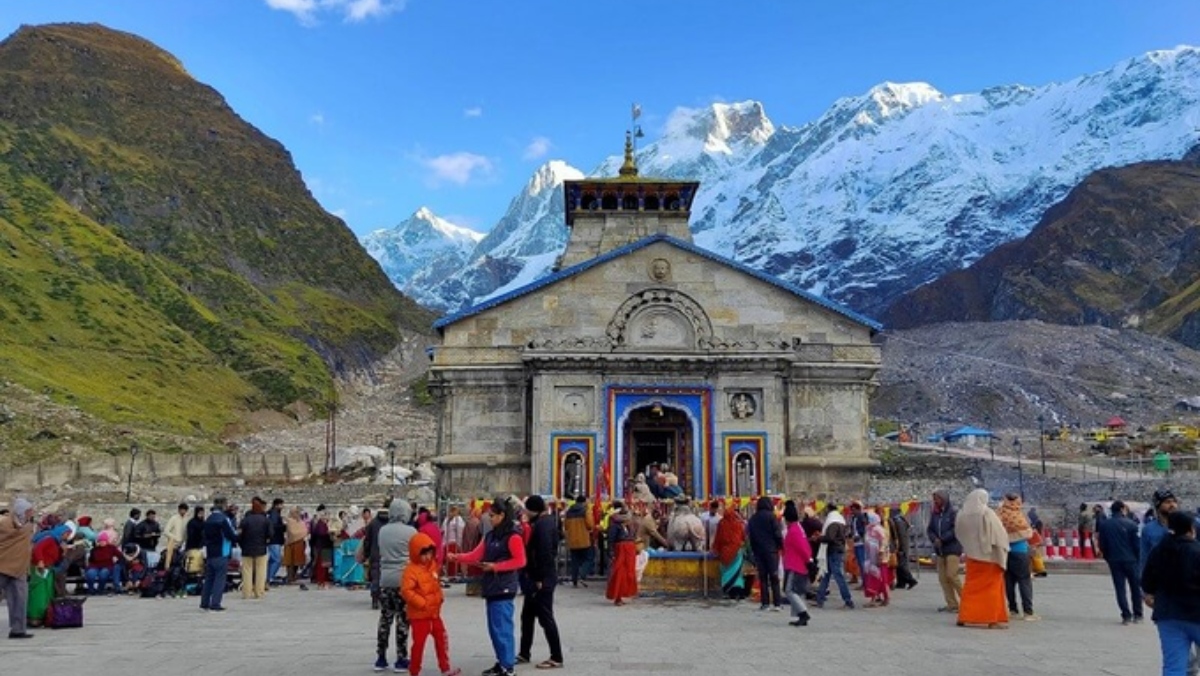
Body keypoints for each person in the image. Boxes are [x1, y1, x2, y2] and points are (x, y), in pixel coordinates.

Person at [448, 498, 528, 676]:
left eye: (492, 515)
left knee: (503, 628)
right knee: (495, 629)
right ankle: (502, 662)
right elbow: (476, 554)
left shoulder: (513, 536)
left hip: (504, 586)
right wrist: (457, 557)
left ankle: (508, 666)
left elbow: (520, 561)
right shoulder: (491, 535)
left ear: (502, 515)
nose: (489, 519)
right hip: (492, 585)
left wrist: (496, 567)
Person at [1141, 510, 1200, 676]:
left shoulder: (1159, 551)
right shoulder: (1197, 551)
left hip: (1168, 616)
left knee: (1174, 667)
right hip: (1196, 614)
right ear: (1191, 529)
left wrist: (1151, 596)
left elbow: (1146, 582)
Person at [401, 532, 462, 676]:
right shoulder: (410, 570)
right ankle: (414, 671)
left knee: (442, 639)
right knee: (419, 645)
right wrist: (422, 603)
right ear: (416, 553)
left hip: (434, 613)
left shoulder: (432, 566)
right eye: (424, 554)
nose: (427, 557)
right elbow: (406, 591)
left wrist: (439, 597)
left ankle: (445, 667)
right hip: (420, 615)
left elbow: (435, 585)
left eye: (429, 553)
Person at [517, 495, 564, 669]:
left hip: (541, 578)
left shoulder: (542, 526)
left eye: (526, 509)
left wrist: (539, 578)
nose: (524, 512)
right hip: (538, 577)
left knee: (545, 617)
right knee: (527, 616)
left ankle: (556, 656)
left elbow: (544, 553)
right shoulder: (547, 522)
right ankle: (524, 652)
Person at [955, 489, 1009, 629]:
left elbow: (959, 533)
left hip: (972, 556)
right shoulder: (987, 513)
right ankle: (991, 619)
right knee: (992, 589)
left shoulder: (961, 514)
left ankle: (965, 616)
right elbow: (999, 535)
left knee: (970, 587)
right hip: (989, 557)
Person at [376, 498, 417, 672]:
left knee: (385, 618)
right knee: (403, 619)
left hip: (385, 579)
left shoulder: (382, 531)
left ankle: (381, 657)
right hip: (404, 579)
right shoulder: (411, 531)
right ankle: (401, 658)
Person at [1097, 499, 1143, 625]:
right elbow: (1137, 546)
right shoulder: (1132, 524)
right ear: (1122, 509)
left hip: (1114, 560)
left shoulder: (1105, 525)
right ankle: (1138, 614)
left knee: (1120, 588)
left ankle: (1126, 615)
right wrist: (1138, 559)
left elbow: (1102, 545)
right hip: (1131, 560)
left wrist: (1108, 557)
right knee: (1135, 587)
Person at [998, 493, 1038, 621]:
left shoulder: (999, 513)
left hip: (1006, 551)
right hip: (1020, 551)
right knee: (1024, 581)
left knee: (1009, 581)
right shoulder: (1018, 514)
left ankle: (1013, 609)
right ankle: (1028, 612)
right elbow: (1028, 532)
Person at [0, 497, 36, 639]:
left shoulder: (27, 525)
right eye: (28, 511)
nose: (31, 513)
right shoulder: (5, 524)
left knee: (20, 599)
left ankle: (18, 629)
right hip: (2, 565)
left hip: (20, 567)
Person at [928, 489, 964, 613]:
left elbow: (956, 529)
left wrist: (943, 539)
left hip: (952, 547)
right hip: (940, 550)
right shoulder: (935, 514)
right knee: (943, 578)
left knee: (952, 575)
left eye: (937, 499)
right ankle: (952, 603)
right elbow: (930, 529)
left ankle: (966, 600)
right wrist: (934, 539)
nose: (935, 501)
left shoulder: (953, 513)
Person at [200, 496, 238, 612]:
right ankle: (215, 603)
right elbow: (230, 534)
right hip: (222, 551)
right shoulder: (223, 519)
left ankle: (204, 602)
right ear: (223, 505)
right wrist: (237, 536)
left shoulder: (209, 519)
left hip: (210, 552)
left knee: (209, 578)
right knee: (220, 579)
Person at [814, 503, 855, 609]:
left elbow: (830, 537)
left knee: (838, 576)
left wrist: (819, 538)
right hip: (836, 549)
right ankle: (819, 598)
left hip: (834, 550)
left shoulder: (832, 522)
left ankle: (848, 600)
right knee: (826, 575)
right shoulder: (840, 520)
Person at [748, 496, 783, 611]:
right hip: (771, 551)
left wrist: (753, 551)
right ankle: (777, 603)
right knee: (774, 577)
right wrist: (780, 546)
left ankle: (765, 603)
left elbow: (751, 537)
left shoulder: (753, 519)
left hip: (759, 551)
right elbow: (777, 534)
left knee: (763, 578)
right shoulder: (771, 517)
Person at [782, 500, 813, 626]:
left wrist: (808, 560)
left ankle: (803, 613)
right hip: (796, 563)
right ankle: (799, 615)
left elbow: (802, 547)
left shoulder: (793, 531)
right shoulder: (798, 528)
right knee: (796, 590)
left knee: (789, 590)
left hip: (795, 564)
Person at [711, 501, 748, 600]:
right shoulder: (738, 524)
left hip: (725, 552)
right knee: (737, 573)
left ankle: (728, 591)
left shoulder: (722, 523)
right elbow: (743, 537)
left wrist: (715, 549)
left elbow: (718, 538)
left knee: (727, 572)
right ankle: (739, 591)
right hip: (737, 552)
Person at [239, 497, 272, 600]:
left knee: (247, 571)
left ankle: (247, 592)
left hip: (247, 549)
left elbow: (239, 535)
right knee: (261, 571)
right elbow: (270, 534)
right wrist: (266, 541)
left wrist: (242, 544)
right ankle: (259, 592)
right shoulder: (265, 520)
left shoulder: (245, 520)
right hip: (261, 548)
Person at [604, 507, 637, 606]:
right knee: (619, 574)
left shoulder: (628, 527)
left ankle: (623, 594)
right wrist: (611, 552)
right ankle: (617, 596)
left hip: (629, 552)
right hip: (620, 552)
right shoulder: (615, 526)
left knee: (628, 574)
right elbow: (611, 540)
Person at [362, 499, 390, 610]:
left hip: (375, 553)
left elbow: (367, 540)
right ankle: (386, 599)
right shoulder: (392, 523)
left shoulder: (372, 523)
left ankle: (375, 598)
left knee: (376, 577)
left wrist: (366, 554)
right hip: (389, 554)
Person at [562, 495, 594, 588]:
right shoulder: (585, 511)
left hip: (572, 540)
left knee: (574, 561)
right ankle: (582, 574)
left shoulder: (568, 512)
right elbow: (590, 525)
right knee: (589, 558)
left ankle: (574, 580)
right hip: (583, 539)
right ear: (584, 502)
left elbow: (566, 526)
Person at [862, 511, 891, 607]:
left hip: (879, 558)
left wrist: (881, 552)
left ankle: (882, 598)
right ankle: (877, 597)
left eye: (867, 518)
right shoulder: (868, 529)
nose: (865, 520)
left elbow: (884, 542)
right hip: (870, 557)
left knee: (880, 578)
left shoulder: (879, 529)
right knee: (873, 578)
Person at [889, 507, 917, 590]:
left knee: (901, 565)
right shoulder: (896, 520)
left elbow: (902, 536)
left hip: (901, 545)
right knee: (898, 564)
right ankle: (901, 582)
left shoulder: (898, 521)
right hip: (898, 545)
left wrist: (901, 548)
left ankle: (911, 580)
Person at [283, 507, 308, 587]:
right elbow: (292, 532)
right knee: (290, 562)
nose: (297, 514)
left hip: (299, 544)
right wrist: (300, 534)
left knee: (297, 562)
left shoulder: (301, 522)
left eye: (297, 512)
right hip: (290, 544)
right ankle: (290, 578)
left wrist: (301, 534)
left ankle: (294, 577)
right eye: (295, 512)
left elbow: (305, 531)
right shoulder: (289, 521)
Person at [310, 506, 334, 590]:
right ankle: (320, 581)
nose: (327, 517)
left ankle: (325, 580)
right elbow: (320, 533)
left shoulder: (325, 524)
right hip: (322, 546)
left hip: (327, 545)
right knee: (321, 565)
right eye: (326, 515)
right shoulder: (320, 524)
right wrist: (329, 532)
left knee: (326, 564)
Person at [162, 503, 189, 571]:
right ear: (179, 510)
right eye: (181, 510)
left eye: (184, 510)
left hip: (182, 544)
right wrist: (174, 538)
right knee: (169, 560)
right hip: (173, 543)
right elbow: (166, 531)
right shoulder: (173, 518)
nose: (183, 511)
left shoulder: (187, 519)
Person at [266, 498, 286, 587]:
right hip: (275, 540)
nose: (283, 507)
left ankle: (268, 576)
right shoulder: (274, 514)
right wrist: (284, 526)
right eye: (281, 505)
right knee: (277, 559)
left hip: (273, 540)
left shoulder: (272, 513)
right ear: (277, 505)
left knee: (272, 560)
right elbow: (274, 526)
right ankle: (270, 577)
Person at [1027, 507, 1048, 578]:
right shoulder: (1036, 520)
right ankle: (1039, 570)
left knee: (1034, 556)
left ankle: (1039, 570)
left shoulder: (1034, 521)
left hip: (1034, 539)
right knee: (1035, 556)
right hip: (1035, 539)